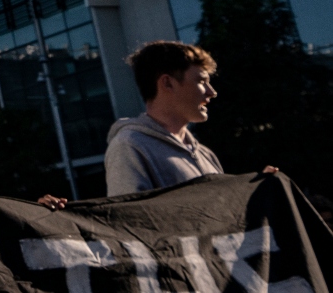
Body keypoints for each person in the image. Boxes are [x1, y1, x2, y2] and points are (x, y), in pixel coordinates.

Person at [104, 40, 276, 196]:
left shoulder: (205, 154)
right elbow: (130, 223)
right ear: (167, 83)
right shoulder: (128, 146)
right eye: (201, 81)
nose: (212, 92)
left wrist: (256, 192)